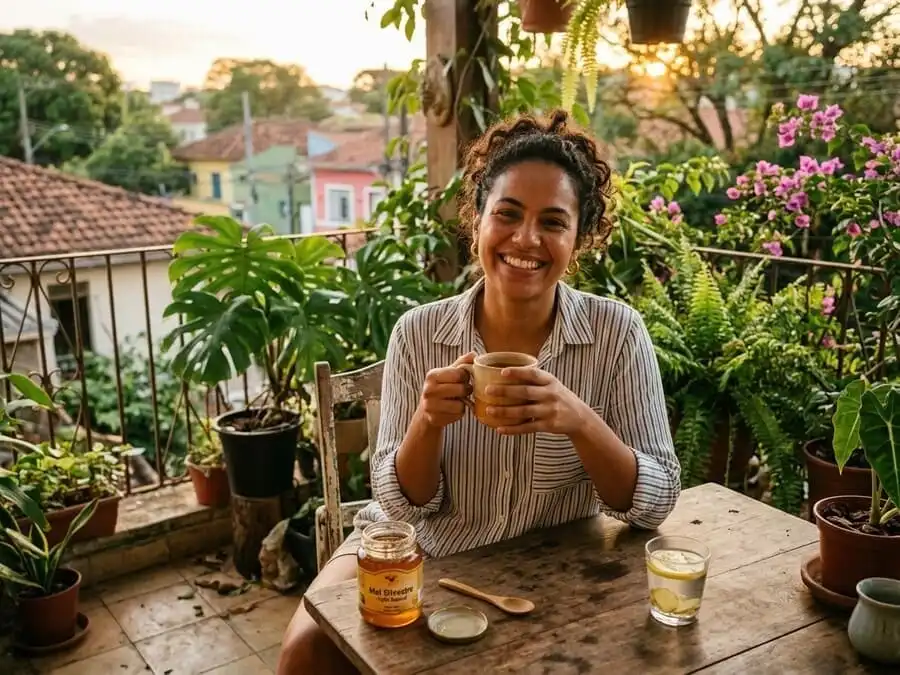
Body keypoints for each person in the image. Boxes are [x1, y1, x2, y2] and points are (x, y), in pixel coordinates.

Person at [277, 110, 681, 674]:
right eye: (508, 215)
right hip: (422, 547)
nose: (526, 239)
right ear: (477, 223)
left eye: (553, 223)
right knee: (306, 651)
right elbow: (400, 505)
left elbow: (656, 503)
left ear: (578, 239)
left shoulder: (616, 334)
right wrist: (427, 422)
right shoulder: (419, 332)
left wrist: (580, 420)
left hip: (549, 561)